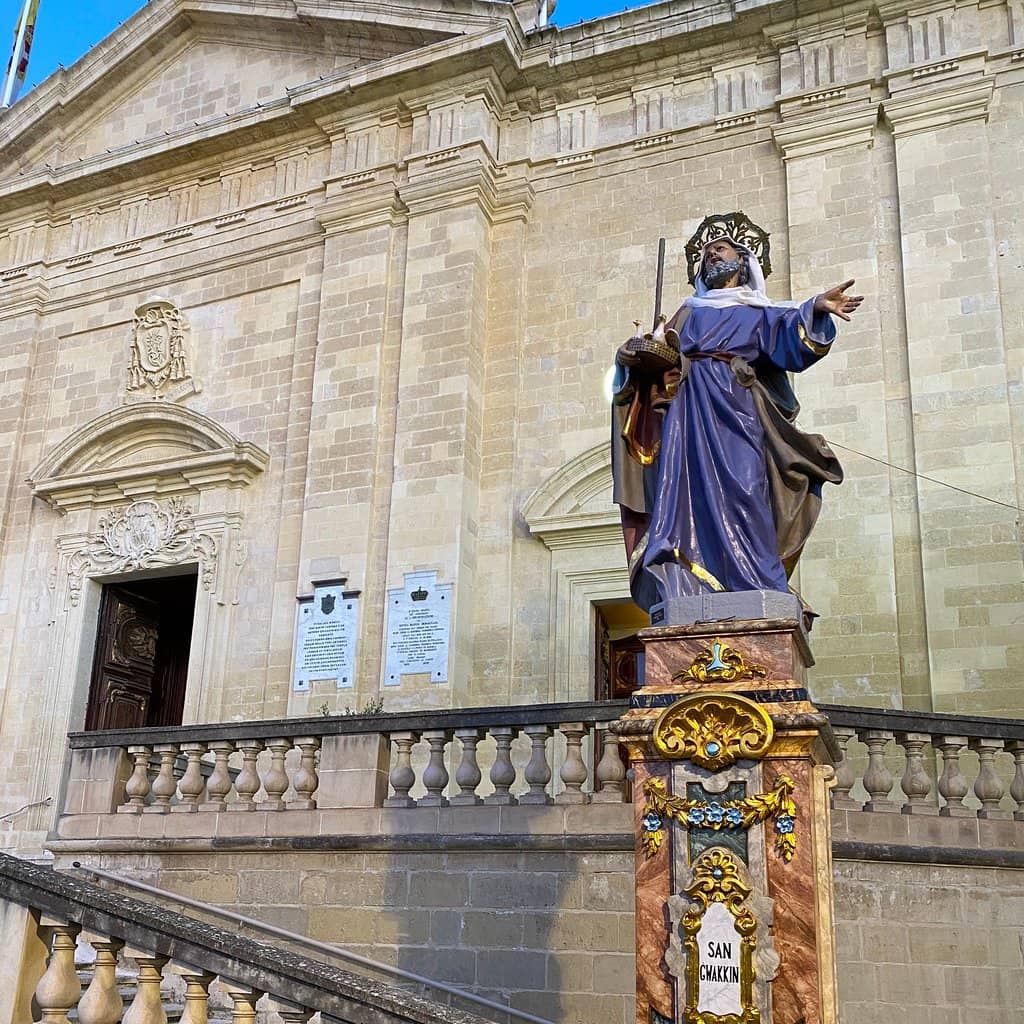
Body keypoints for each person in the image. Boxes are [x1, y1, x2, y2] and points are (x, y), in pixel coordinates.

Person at [611, 212, 863, 613]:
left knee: (747, 490)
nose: (712, 255)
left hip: (737, 411)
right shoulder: (689, 311)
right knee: (683, 496)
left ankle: (758, 581)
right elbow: (655, 353)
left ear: (743, 260)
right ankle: (686, 576)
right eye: (708, 252)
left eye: (721, 249)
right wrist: (632, 353)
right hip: (688, 414)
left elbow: (791, 340)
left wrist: (816, 307)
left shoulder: (758, 310)